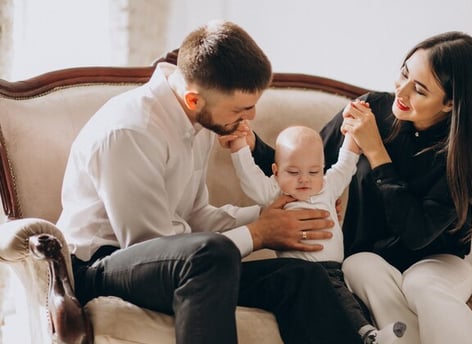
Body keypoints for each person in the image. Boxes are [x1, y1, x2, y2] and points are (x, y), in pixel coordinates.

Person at [56, 20, 364, 344]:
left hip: (188, 262)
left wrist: (274, 214)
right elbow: (152, 245)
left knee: (303, 277)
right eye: (242, 108)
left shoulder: (200, 122)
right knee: (210, 254)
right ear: (194, 100)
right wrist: (259, 235)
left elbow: (194, 217)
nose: (251, 117)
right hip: (99, 266)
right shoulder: (131, 131)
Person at [244, 31, 472, 343]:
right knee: (360, 266)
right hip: (367, 258)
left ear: (450, 103)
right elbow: (302, 167)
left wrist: (376, 152)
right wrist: (251, 144)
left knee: (421, 285)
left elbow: (416, 234)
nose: (401, 91)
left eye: (419, 90)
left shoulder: (462, 156)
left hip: (439, 263)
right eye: (403, 74)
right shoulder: (370, 109)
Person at [227, 124, 406, 343]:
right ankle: (369, 334)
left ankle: (370, 332)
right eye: (293, 172)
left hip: (335, 269)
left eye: (314, 171)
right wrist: (239, 148)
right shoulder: (275, 193)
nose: (304, 179)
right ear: (275, 171)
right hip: (305, 271)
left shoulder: (327, 187)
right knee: (339, 300)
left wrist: (351, 136)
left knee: (351, 301)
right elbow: (250, 177)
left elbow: (345, 165)